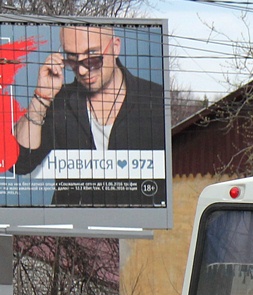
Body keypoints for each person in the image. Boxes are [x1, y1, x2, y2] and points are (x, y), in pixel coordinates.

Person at [12, 25, 166, 206]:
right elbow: (20, 163)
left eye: (93, 58)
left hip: (134, 226)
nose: (83, 71)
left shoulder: (156, 99)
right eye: (73, 60)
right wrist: (41, 97)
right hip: (71, 226)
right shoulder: (60, 101)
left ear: (115, 47)